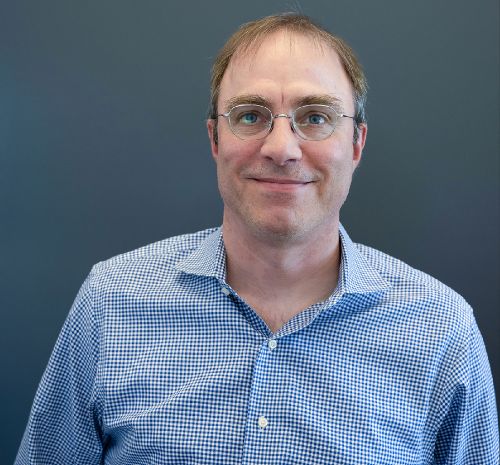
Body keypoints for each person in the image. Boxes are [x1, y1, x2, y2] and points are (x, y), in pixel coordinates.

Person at [15, 13, 498, 465]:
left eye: (315, 117)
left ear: (356, 144)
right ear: (214, 139)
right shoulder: (110, 301)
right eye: (249, 116)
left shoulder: (442, 331)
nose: (281, 149)